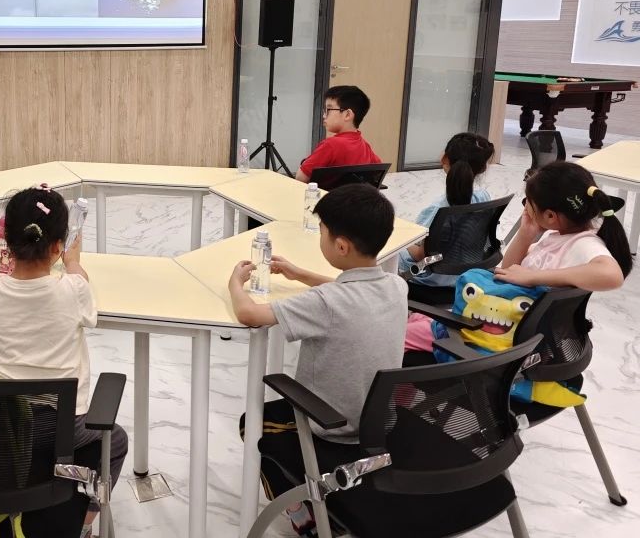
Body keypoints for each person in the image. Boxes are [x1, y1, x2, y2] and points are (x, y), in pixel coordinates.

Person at [229, 184, 407, 535]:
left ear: (341, 246)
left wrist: (235, 282)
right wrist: (301, 275)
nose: (320, 239)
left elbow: (249, 314)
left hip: (331, 430)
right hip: (380, 425)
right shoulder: (397, 287)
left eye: (322, 233)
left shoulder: (325, 303)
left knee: (252, 423)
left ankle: (301, 511)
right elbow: (351, 290)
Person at [0, 187, 127, 538]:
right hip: (63, 428)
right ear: (59, 246)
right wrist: (73, 263)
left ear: (6, 242)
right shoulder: (72, 290)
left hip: (5, 425)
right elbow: (80, 285)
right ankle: (84, 524)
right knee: (117, 441)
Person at [405, 161, 632, 354]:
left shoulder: (583, 244)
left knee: (398, 336)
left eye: (528, 203)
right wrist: (526, 234)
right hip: (506, 328)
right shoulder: (557, 236)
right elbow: (508, 269)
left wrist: (533, 277)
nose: (526, 208)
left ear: (550, 216)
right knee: (416, 321)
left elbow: (612, 275)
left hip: (501, 341)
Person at [398, 132, 496, 286]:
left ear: (444, 159)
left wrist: (401, 239)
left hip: (433, 280)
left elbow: (421, 256)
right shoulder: (483, 197)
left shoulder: (438, 208)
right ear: (483, 168)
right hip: (469, 274)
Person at [295, 85, 381, 183]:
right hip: (353, 193)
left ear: (347, 115)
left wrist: (305, 162)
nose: (324, 115)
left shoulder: (330, 145)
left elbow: (300, 178)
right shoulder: (365, 146)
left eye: (328, 110)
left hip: (327, 193)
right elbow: (378, 170)